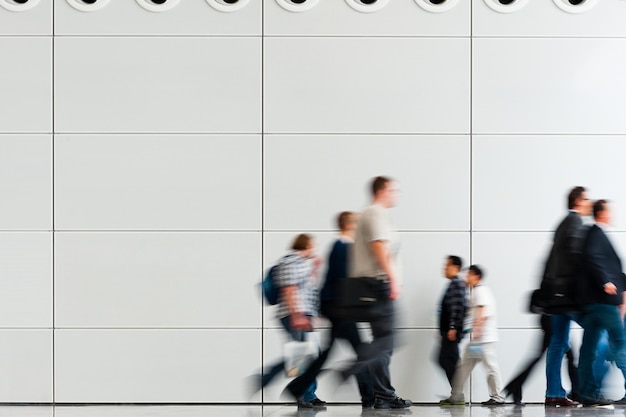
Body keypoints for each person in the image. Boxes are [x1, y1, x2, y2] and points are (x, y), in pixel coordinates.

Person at [285, 212, 375, 408]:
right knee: (362, 352)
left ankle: (297, 388)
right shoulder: (343, 247)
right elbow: (345, 282)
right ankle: (371, 398)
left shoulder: (341, 246)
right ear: (349, 224)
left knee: (328, 354)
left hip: (336, 308)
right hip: (340, 309)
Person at [341, 176, 412, 409]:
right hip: (378, 285)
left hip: (375, 285)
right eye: (394, 190)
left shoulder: (371, 213)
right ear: (382, 190)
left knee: (385, 342)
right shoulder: (375, 212)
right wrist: (392, 279)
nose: (397, 194)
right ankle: (353, 369)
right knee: (387, 340)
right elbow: (379, 245)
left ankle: (383, 395)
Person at [256, 233, 326, 409]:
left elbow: (305, 289)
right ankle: (298, 392)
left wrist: (315, 269)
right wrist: (297, 315)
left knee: (309, 355)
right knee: (302, 356)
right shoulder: (291, 263)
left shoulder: (301, 264)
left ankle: (308, 393)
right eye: (313, 245)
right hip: (293, 316)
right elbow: (289, 291)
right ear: (305, 246)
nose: (315, 249)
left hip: (303, 316)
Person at [543, 186, 592, 407]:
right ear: (578, 202)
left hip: (556, 295)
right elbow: (575, 256)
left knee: (557, 343)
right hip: (570, 295)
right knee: (598, 329)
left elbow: (551, 259)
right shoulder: (575, 223)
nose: (589, 203)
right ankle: (589, 390)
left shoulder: (562, 224)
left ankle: (554, 392)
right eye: (587, 199)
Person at [578, 200, 626, 407]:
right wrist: (605, 281)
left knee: (589, 349)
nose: (612, 214)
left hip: (593, 303)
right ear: (602, 213)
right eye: (609, 211)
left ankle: (587, 394)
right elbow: (592, 257)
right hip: (604, 302)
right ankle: (588, 392)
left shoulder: (594, 233)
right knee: (621, 344)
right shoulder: (597, 233)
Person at [441, 265, 505, 406]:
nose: (466, 277)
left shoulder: (480, 291)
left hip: (484, 340)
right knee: (464, 367)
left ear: (477, 277)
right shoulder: (475, 291)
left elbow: (482, 311)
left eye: (469, 274)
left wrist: (477, 330)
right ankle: (456, 396)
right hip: (477, 341)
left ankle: (498, 397)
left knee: (490, 367)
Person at [437, 255, 468, 391]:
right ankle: (457, 393)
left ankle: (458, 393)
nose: (445, 268)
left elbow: (457, 307)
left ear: (456, 268)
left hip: (452, 331)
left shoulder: (456, 284)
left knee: (446, 360)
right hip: (449, 330)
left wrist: (453, 327)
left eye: (447, 265)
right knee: (449, 360)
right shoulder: (454, 284)